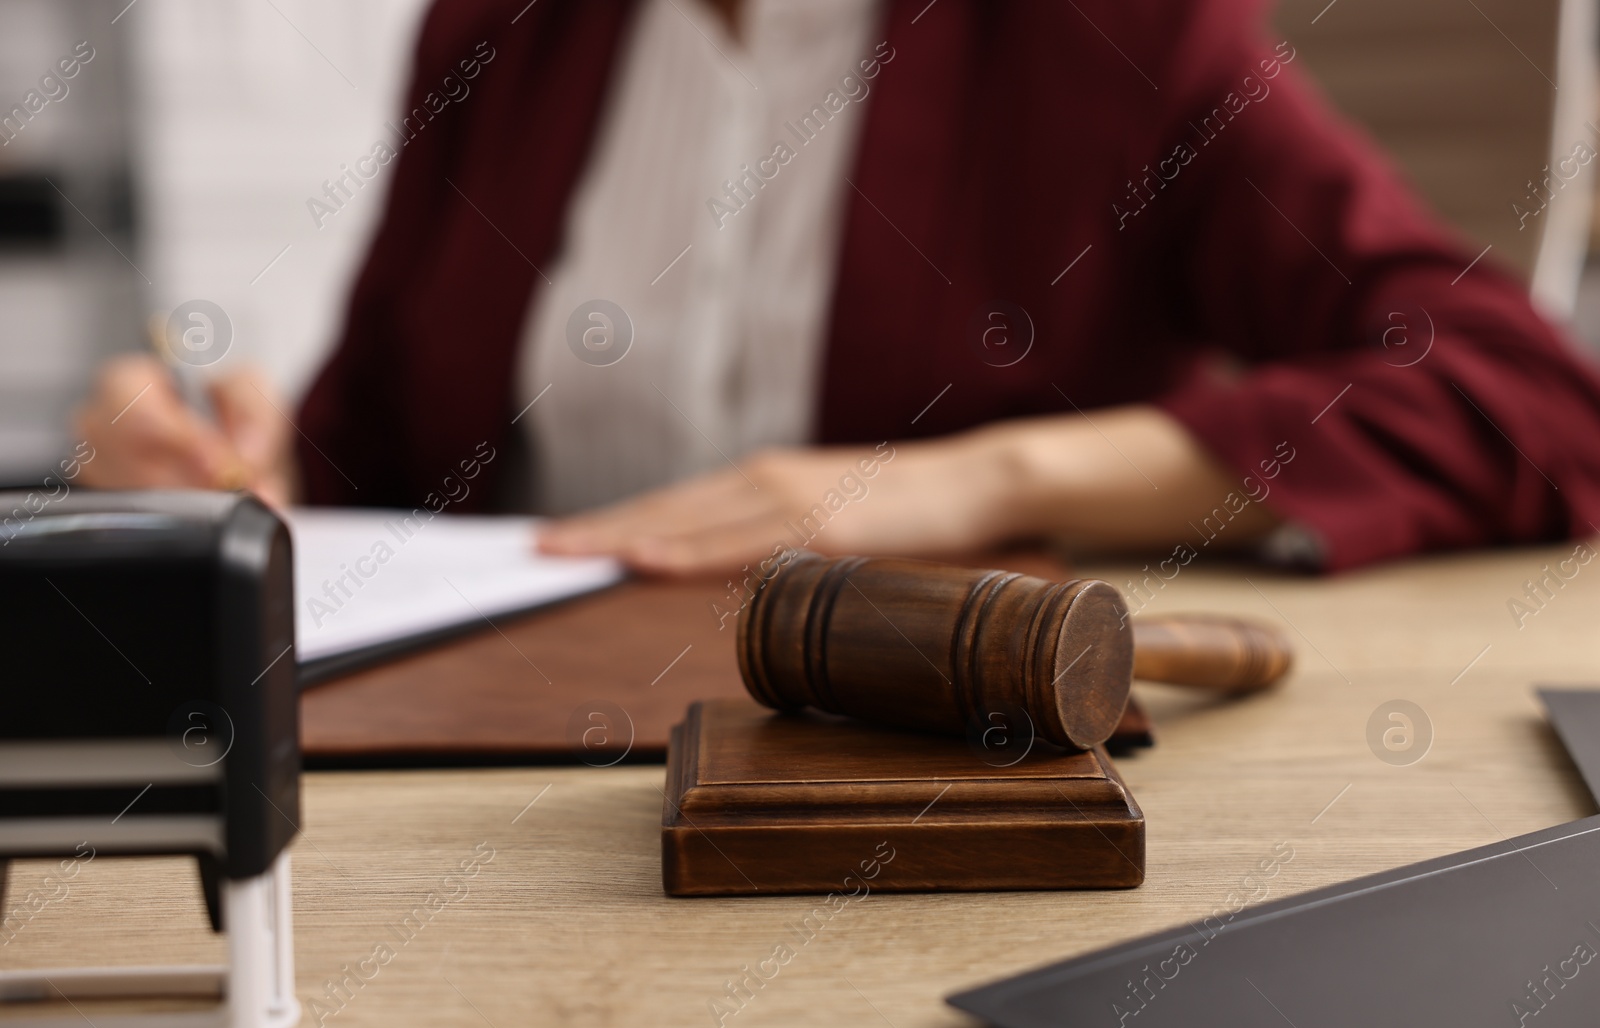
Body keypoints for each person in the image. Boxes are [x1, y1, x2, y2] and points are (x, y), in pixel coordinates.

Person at [74, 0, 1600, 575]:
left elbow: (1523, 391)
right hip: (501, 805)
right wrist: (228, 475)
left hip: (926, 802)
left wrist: (978, 482)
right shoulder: (498, 35)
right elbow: (377, 461)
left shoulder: (1113, 36)